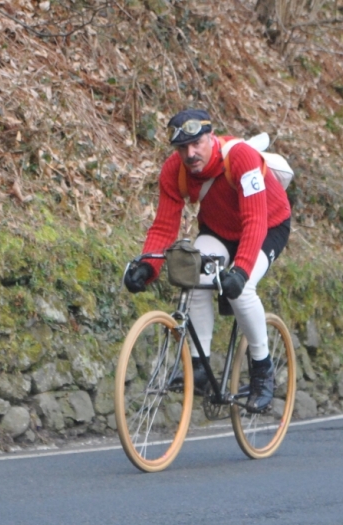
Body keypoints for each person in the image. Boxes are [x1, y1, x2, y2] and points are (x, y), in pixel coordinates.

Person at [123, 108, 292, 413]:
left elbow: (254, 220)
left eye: (197, 144)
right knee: (194, 276)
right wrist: (148, 266)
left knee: (243, 290)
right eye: (182, 148)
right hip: (219, 229)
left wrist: (239, 272)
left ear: (211, 137)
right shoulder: (174, 171)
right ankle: (200, 368)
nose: (190, 154)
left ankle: (262, 371)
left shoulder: (241, 158)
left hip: (268, 226)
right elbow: (163, 225)